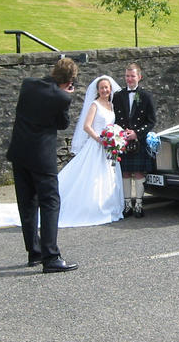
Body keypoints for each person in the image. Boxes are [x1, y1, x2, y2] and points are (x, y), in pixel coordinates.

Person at [6, 57, 79, 274]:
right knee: (50, 202)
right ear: (69, 80)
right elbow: (62, 123)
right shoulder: (61, 97)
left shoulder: (28, 84)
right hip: (41, 156)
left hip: (20, 153)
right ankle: (51, 256)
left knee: (27, 204)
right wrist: (66, 95)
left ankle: (34, 253)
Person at [57, 75, 124, 226]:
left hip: (109, 148)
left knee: (109, 176)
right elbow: (86, 126)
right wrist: (100, 139)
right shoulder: (95, 105)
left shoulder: (112, 105)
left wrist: (115, 138)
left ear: (110, 89)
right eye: (102, 88)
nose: (104, 90)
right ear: (98, 90)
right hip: (97, 145)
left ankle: (109, 207)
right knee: (93, 178)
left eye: (106, 87)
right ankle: (92, 207)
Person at [113, 62, 157, 218]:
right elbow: (115, 118)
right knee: (124, 172)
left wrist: (136, 133)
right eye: (127, 76)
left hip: (138, 140)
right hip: (123, 139)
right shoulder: (118, 96)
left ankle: (138, 204)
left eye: (132, 76)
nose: (129, 79)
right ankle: (127, 205)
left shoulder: (146, 96)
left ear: (139, 77)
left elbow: (151, 121)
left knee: (138, 172)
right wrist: (120, 133)